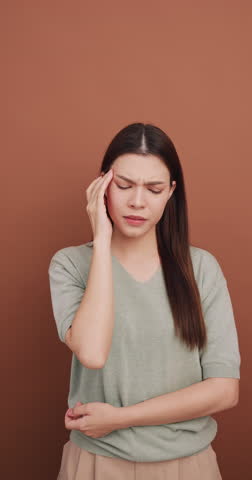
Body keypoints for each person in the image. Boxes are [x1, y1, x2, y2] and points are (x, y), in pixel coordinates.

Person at [48, 122, 241, 479]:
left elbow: (224, 391)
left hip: (188, 465)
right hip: (96, 464)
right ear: (101, 185)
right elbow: (92, 352)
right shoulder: (70, 265)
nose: (137, 201)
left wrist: (121, 418)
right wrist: (101, 240)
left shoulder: (201, 269)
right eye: (123, 186)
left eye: (153, 189)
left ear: (170, 193)